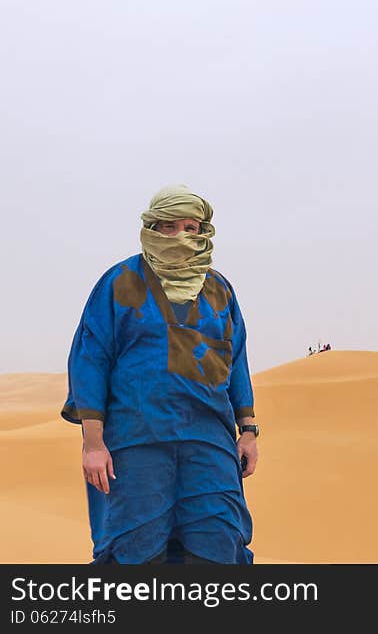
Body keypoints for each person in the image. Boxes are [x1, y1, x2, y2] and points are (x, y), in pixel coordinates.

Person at [61, 184, 259, 565]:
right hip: (136, 441)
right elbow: (91, 359)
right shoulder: (119, 283)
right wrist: (93, 443)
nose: (181, 236)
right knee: (132, 551)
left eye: (192, 227)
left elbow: (236, 361)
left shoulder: (219, 291)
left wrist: (248, 430)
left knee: (219, 544)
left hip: (209, 441)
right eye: (169, 226)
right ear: (152, 227)